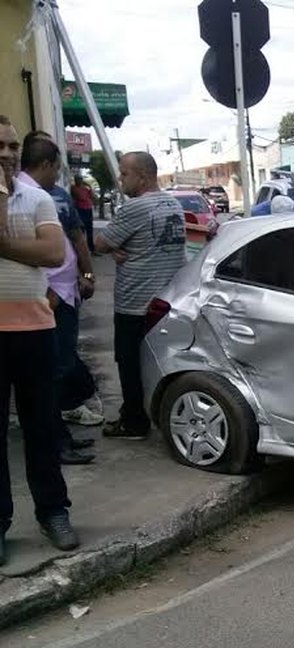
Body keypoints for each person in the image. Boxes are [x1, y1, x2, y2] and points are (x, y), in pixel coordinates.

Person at [0, 115, 79, 564]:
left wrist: (2, 243)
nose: (8, 154)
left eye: (12, 146)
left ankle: (53, 511)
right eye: (0, 146)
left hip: (34, 330)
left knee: (42, 428)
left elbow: (52, 252)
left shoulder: (37, 197)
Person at [94, 152, 186, 440]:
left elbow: (99, 243)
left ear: (143, 176)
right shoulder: (173, 204)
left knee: (129, 364)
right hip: (166, 300)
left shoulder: (134, 208)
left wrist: (115, 248)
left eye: (124, 174)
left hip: (134, 303)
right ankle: (157, 414)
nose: (120, 179)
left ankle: (133, 421)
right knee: (161, 361)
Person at [18, 134, 98, 464]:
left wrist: (87, 274)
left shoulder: (55, 196)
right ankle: (54, 443)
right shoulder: (23, 197)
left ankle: (60, 435)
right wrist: (48, 294)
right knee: (51, 372)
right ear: (47, 165)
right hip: (48, 298)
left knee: (61, 366)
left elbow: (76, 238)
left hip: (65, 295)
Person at [70, 174, 95, 251]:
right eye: (77, 179)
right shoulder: (74, 188)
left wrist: (89, 187)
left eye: (80, 179)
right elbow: (81, 197)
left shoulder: (85, 188)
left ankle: (91, 248)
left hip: (88, 209)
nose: (79, 181)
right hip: (80, 210)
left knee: (89, 229)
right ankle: (82, 248)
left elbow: (92, 196)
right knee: (81, 229)